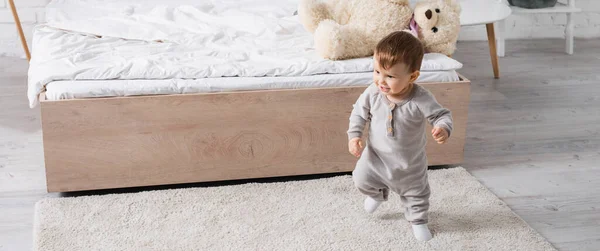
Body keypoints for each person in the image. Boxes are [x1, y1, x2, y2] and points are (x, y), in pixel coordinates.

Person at [347, 31, 453, 242]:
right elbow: (358, 113)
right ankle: (378, 194)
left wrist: (443, 128)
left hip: (409, 164)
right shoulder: (373, 93)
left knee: (416, 196)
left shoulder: (420, 98)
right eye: (377, 71)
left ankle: (419, 222)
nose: (381, 81)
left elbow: (441, 115)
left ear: (412, 76)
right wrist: (354, 135)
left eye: (390, 76)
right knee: (360, 179)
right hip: (375, 158)